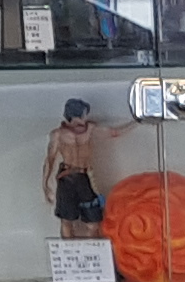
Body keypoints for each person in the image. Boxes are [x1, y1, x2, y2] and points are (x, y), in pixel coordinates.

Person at [46, 100, 126, 239]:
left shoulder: (90, 129)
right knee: (67, 219)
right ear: (75, 115)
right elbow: (49, 160)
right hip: (67, 178)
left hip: (84, 176)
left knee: (93, 221)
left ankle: (91, 246)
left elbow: (114, 132)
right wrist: (45, 184)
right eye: (83, 114)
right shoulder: (58, 134)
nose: (86, 117)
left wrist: (137, 122)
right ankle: (68, 249)